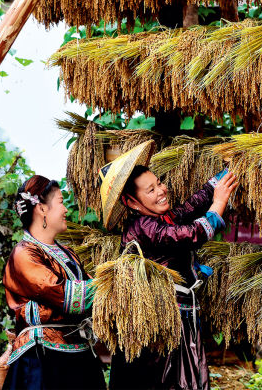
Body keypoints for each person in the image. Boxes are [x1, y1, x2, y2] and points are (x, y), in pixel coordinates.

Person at [98, 141, 238, 389]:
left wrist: (225, 174)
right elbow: (190, 234)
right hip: (158, 332)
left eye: (159, 183)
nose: (161, 191)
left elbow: (192, 205)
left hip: (178, 322)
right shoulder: (143, 227)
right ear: (131, 202)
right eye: (150, 190)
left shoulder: (163, 218)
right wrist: (218, 205)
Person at [2, 175, 105, 390]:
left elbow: (91, 294)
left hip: (79, 354)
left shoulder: (68, 253)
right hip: (42, 358)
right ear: (42, 209)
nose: (66, 209)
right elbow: (66, 296)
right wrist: (112, 282)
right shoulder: (23, 254)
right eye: (60, 202)